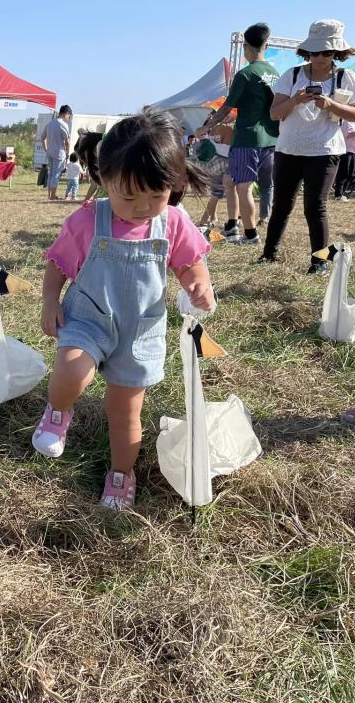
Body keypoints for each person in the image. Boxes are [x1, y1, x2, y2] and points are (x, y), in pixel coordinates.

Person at [33, 109, 213, 510]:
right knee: (71, 372)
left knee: (125, 413)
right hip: (89, 317)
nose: (142, 207)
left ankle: (121, 475)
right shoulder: (87, 220)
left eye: (156, 195)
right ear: (104, 178)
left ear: (173, 185)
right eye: (129, 196)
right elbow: (57, 262)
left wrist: (198, 285)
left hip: (140, 331)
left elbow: (189, 263)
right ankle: (59, 410)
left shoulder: (174, 222)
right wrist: (49, 300)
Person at [260, 19, 355, 275]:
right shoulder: (292, 75)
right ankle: (268, 253)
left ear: (337, 52)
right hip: (288, 148)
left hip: (325, 150)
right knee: (282, 205)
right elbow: (274, 114)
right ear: (307, 51)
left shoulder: (345, 76)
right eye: (315, 51)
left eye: (327, 52)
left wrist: (330, 104)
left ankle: (319, 263)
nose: (320, 57)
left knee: (315, 207)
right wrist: (295, 100)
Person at [195, 23, 279, 245]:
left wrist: (206, 127)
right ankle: (232, 224)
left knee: (244, 187)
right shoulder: (274, 73)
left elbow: (224, 107)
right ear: (267, 45)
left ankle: (250, 235)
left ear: (245, 47)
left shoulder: (246, 74)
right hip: (270, 139)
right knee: (230, 180)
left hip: (248, 139)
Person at [41, 105, 72, 200]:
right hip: (59, 153)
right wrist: (67, 153)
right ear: (66, 114)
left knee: (51, 174)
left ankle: (49, 195)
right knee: (56, 175)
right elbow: (67, 141)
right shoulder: (63, 125)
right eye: (69, 115)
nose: (68, 118)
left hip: (50, 152)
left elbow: (43, 137)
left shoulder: (50, 123)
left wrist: (46, 149)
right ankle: (53, 195)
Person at [334, 117, 355, 200]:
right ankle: (338, 194)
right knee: (343, 173)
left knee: (350, 173)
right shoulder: (347, 121)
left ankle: (342, 193)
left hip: (353, 151)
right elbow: (349, 134)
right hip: (345, 150)